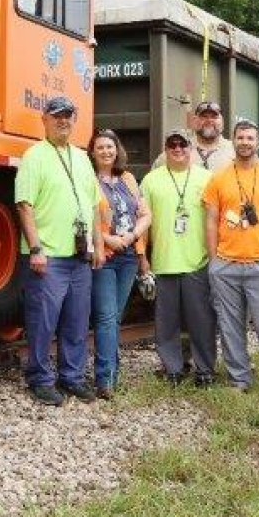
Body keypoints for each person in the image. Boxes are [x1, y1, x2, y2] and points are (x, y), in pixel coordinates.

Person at [15, 95, 102, 406]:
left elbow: (92, 205)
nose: (63, 121)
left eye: (68, 115)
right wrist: (36, 248)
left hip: (79, 256)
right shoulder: (34, 156)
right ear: (45, 120)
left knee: (77, 321)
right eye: (57, 116)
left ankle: (72, 377)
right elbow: (25, 206)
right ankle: (39, 378)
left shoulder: (81, 157)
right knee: (43, 322)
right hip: (48, 256)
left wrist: (95, 245)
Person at [202, 119, 259, 397]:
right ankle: (238, 379)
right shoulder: (218, 178)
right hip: (226, 264)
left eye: (250, 138)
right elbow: (211, 221)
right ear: (233, 141)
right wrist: (215, 259)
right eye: (240, 137)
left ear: (258, 143)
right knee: (230, 327)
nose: (245, 142)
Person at [141, 129, 218, 385]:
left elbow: (215, 221)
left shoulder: (207, 178)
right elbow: (143, 222)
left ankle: (205, 369)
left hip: (198, 261)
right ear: (165, 149)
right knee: (166, 324)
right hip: (164, 262)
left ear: (190, 148)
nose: (177, 149)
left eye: (182, 144)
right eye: (172, 144)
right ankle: (173, 369)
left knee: (202, 322)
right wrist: (144, 259)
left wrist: (215, 257)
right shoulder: (151, 181)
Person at [89, 129, 152, 399]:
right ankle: (105, 379)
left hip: (128, 255)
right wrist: (107, 239)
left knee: (114, 317)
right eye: (100, 147)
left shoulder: (127, 179)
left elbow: (146, 214)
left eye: (110, 147)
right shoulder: (88, 180)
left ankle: (112, 372)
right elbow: (83, 217)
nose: (106, 151)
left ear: (117, 150)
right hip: (105, 255)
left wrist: (133, 237)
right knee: (105, 317)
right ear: (92, 153)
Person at [152, 100, 234, 172]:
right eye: (204, 117)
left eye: (214, 117)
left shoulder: (234, 151)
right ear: (194, 121)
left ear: (222, 122)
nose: (209, 121)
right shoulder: (178, 149)